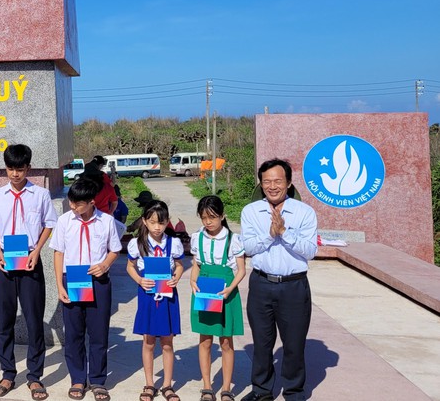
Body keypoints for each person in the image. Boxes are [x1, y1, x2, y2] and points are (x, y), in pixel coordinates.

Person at [240, 159, 317, 401]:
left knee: (294, 343)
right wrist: (270, 234)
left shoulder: (304, 212)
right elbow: (248, 247)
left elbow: (310, 251)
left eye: (277, 181)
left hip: (294, 286)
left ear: (289, 182)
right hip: (261, 284)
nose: (272, 186)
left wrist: (284, 232)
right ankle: (261, 391)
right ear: (261, 184)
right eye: (267, 182)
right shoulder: (251, 211)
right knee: (262, 342)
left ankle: (294, 392)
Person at [0, 143, 58, 400]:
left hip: (29, 261)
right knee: (5, 320)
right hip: (6, 262)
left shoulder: (40, 194)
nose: (15, 174)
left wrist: (37, 251)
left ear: (28, 167)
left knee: (34, 320)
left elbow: (49, 223)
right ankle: (7, 373)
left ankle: (35, 376)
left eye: (19, 169)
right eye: (10, 169)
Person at [50, 177, 122, 401]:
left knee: (98, 333)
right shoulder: (64, 221)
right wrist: (60, 285)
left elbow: (115, 249)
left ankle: (98, 380)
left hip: (98, 281)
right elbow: (58, 253)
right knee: (74, 334)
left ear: (92, 202)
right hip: (72, 280)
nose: (73, 206)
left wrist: (105, 265)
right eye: (71, 202)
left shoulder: (106, 221)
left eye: (78, 203)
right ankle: (78, 379)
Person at [189, 196, 246, 401]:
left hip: (225, 290)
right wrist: (192, 280)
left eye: (212, 217)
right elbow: (196, 264)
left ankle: (226, 388)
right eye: (204, 217)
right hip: (204, 288)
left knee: (226, 341)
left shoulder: (233, 239)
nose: (208, 222)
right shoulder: (197, 237)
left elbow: (241, 270)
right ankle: (207, 387)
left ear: (222, 216)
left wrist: (230, 288)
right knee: (205, 339)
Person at [127, 200, 184, 401]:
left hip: (168, 296)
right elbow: (130, 266)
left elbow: (179, 265)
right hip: (147, 295)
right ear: (144, 221)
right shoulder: (137, 243)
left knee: (167, 342)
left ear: (167, 222)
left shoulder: (173, 243)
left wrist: (176, 277)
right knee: (148, 340)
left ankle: (167, 385)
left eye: (161, 222)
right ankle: (149, 383)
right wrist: (140, 280)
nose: (157, 227)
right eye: (152, 222)